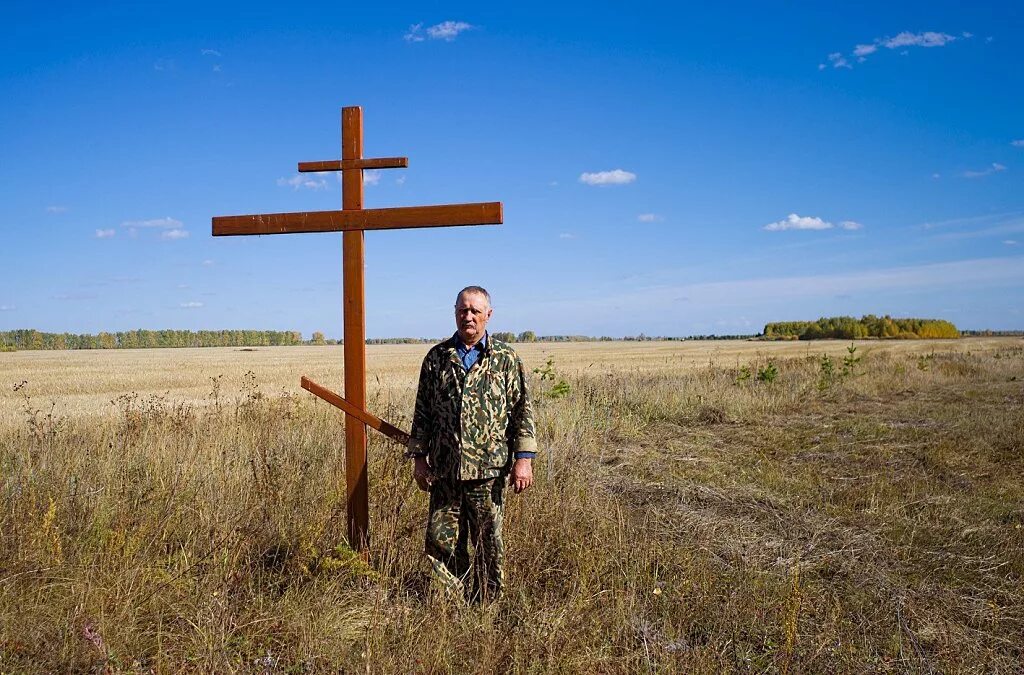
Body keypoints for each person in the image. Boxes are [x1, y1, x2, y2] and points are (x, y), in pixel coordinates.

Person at [406, 285, 537, 602]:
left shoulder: (505, 359)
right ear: (455, 312)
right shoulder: (437, 358)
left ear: (488, 315)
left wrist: (523, 460)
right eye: (463, 310)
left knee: (488, 541)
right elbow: (423, 411)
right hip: (445, 471)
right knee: (441, 540)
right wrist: (419, 458)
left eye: (475, 311)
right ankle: (450, 602)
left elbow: (522, 410)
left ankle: (488, 603)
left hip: (487, 472)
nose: (468, 316)